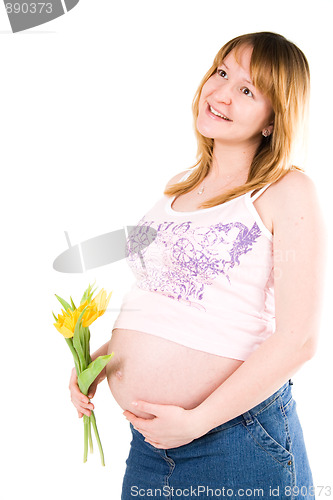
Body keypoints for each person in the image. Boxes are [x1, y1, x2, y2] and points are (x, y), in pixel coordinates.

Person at [69, 31, 326, 498]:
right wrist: (101, 358)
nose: (222, 92)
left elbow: (299, 340)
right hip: (151, 448)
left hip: (236, 443)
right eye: (222, 72)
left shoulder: (286, 192)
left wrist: (197, 421)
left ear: (273, 119)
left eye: (247, 90)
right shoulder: (179, 188)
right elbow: (169, 304)